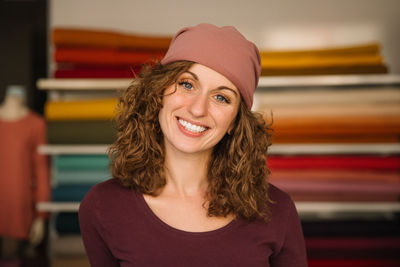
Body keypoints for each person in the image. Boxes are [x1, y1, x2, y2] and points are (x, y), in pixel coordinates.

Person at [79, 23, 307, 267]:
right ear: (159, 92)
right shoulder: (103, 207)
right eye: (187, 84)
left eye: (221, 97)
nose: (198, 109)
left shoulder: (277, 211)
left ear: (234, 122)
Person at [0, 85, 49, 266]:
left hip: (18, 202)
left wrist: (41, 214)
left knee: (11, 251)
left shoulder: (35, 124)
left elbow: (41, 168)